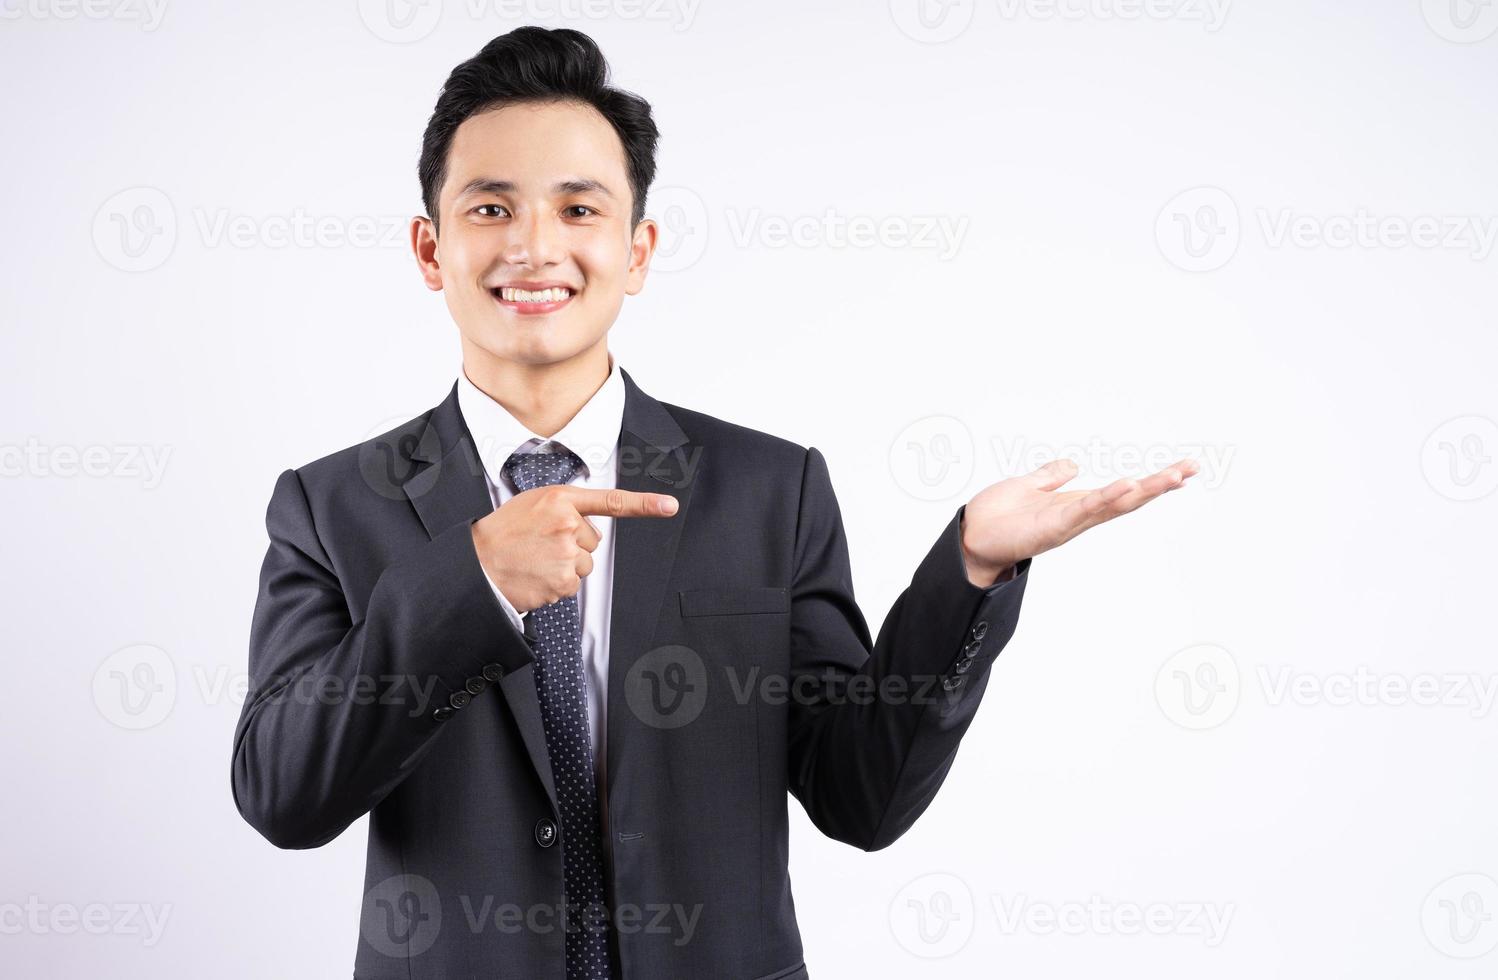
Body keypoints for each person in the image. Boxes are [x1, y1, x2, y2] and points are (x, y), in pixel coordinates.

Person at [229, 26, 1198, 980]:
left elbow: (857, 795)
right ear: (429, 248)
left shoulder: (770, 490)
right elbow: (283, 792)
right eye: (490, 209)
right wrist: (470, 582)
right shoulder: (327, 505)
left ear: (638, 249)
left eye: (577, 209)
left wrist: (969, 570)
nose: (533, 245)